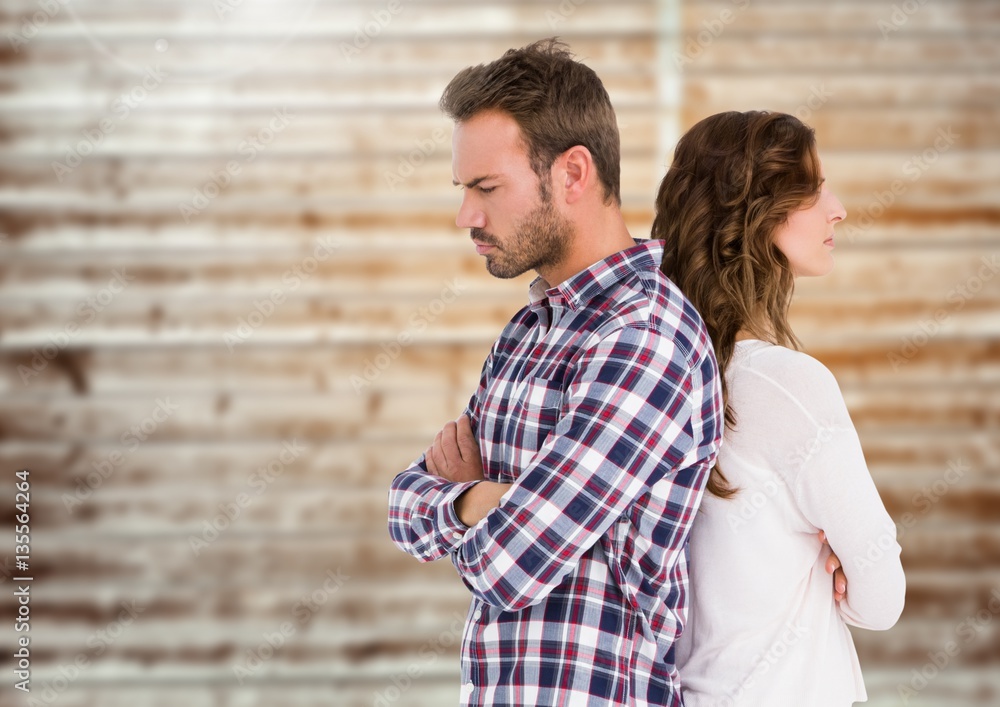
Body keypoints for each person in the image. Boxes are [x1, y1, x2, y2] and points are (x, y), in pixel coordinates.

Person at [387, 39, 723, 706]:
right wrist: (479, 499)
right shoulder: (527, 330)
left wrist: (465, 493)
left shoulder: (645, 336)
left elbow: (508, 563)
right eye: (464, 190)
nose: (466, 217)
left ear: (573, 173)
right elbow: (401, 505)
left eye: (486, 188)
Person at [652, 110, 906, 705]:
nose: (836, 208)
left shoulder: (656, 375)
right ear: (758, 215)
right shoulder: (790, 385)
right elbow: (883, 597)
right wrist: (845, 559)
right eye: (813, 189)